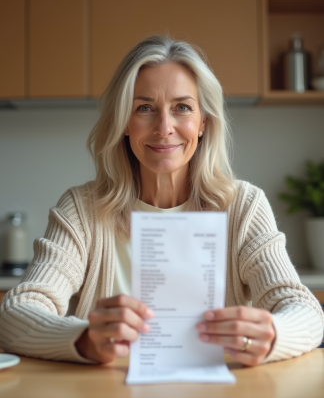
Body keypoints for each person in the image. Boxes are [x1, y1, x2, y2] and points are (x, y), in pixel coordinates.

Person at [0, 35, 323, 367]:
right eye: (145, 108)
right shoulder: (82, 210)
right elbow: (15, 315)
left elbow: (303, 309)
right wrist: (84, 340)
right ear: (124, 122)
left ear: (203, 123)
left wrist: (273, 335)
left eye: (182, 107)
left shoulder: (243, 206)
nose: (164, 127)